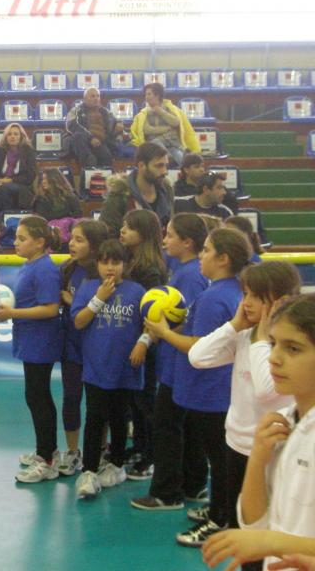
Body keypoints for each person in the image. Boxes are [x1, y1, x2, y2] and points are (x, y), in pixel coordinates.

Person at [186, 262, 300, 571]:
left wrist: (263, 336)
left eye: (255, 296)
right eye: (245, 294)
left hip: (271, 451)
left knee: (265, 530)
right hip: (236, 445)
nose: (246, 302)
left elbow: (265, 388)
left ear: (280, 300)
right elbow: (198, 356)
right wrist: (235, 325)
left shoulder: (282, 346)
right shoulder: (246, 336)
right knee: (242, 527)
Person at [145, 228, 251, 546]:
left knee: (219, 458)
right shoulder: (228, 290)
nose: (201, 256)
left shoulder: (213, 297)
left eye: (206, 250)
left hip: (210, 390)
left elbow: (198, 345)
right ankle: (221, 507)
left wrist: (163, 331)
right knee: (219, 456)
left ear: (223, 258)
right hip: (218, 388)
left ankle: (220, 519)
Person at [201, 295, 315, 570]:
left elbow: (264, 538)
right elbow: (254, 524)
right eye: (273, 344)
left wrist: (272, 542)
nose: (274, 358)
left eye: (293, 349)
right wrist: (257, 458)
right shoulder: (283, 423)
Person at [130, 213, 209, 512]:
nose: (164, 240)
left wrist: (154, 332)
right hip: (177, 361)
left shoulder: (190, 275)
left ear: (187, 242)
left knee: (167, 426)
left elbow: (186, 321)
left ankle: (166, 493)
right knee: (185, 425)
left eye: (171, 235)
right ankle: (193, 484)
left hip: (179, 363)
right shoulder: (181, 269)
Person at [71, 239, 147, 499]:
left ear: (125, 264)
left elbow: (150, 323)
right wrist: (98, 299)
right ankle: (89, 470)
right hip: (96, 367)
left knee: (119, 417)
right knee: (94, 417)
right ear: (97, 264)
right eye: (105, 262)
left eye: (116, 262)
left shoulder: (137, 291)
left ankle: (116, 465)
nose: (110, 267)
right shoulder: (88, 288)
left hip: (125, 367)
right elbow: (79, 322)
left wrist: (143, 343)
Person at [0, 216, 63, 483]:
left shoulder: (45, 269)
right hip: (30, 338)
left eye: (22, 239)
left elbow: (51, 308)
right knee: (35, 396)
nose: (16, 243)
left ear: (40, 242)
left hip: (41, 341)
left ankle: (47, 460)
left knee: (38, 396)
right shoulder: (29, 265)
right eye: (17, 238)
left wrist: (13, 313)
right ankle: (46, 450)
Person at [55, 219, 110, 476]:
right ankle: (72, 451)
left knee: (99, 403)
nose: (72, 244)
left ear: (94, 245)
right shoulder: (67, 268)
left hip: (97, 346)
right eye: (72, 238)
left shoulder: (102, 273)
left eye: (79, 240)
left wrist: (74, 301)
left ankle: (101, 449)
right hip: (72, 346)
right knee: (71, 397)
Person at [119, 209, 168, 480]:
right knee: (134, 401)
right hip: (130, 341)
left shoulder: (150, 270)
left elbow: (155, 312)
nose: (122, 231)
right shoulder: (130, 261)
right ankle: (139, 446)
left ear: (144, 234)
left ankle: (152, 456)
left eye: (129, 227)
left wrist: (144, 341)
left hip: (145, 344)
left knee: (146, 401)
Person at [99, 141, 175, 237]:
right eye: (159, 166)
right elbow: (107, 236)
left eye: (166, 166)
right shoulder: (119, 194)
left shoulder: (167, 190)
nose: (165, 172)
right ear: (141, 166)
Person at [130, 82, 200, 167]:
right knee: (155, 143)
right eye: (145, 95)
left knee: (180, 157)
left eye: (149, 94)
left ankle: (183, 166)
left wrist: (160, 111)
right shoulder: (144, 113)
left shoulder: (170, 109)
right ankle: (167, 161)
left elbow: (176, 122)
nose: (146, 97)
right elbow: (147, 130)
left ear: (157, 95)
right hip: (155, 144)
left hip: (171, 143)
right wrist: (167, 129)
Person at [0, 123, 37, 224]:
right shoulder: (1, 151)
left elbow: (30, 176)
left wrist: (10, 180)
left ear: (21, 136)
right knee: (4, 191)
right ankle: (8, 222)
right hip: (3, 187)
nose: (12, 136)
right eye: (9, 134)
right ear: (6, 137)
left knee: (3, 190)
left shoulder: (28, 151)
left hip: (22, 188)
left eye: (15, 134)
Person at [66, 87, 122, 167]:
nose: (96, 98)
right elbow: (72, 126)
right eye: (92, 96)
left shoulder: (105, 111)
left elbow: (115, 120)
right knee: (77, 136)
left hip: (100, 142)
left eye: (98, 96)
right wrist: (91, 138)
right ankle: (89, 164)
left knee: (106, 156)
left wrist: (119, 122)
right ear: (85, 99)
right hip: (83, 142)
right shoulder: (76, 110)